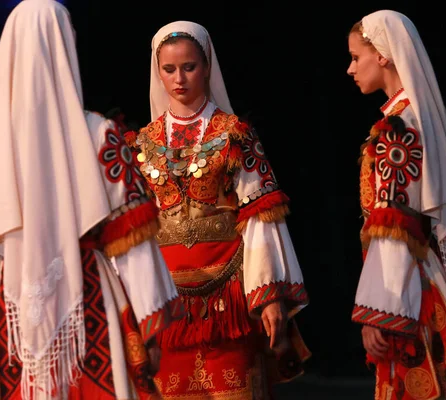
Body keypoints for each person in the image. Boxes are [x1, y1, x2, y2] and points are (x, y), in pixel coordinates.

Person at [0, 1, 184, 399]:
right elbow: (132, 241)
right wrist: (150, 321)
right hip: (91, 299)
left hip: (7, 308)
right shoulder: (100, 134)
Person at [123, 20, 310, 399]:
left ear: (207, 66)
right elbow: (136, 232)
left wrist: (269, 294)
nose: (179, 79)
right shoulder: (141, 143)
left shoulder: (234, 133)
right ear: (157, 72)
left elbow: (261, 217)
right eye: (169, 69)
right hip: (165, 301)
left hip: (229, 302)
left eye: (189, 67)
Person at [346, 9, 446, 399]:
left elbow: (396, 225)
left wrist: (380, 312)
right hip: (423, 280)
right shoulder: (415, 117)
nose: (350, 69)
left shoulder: (398, 128)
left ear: (382, 55)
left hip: (411, 291)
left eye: (356, 57)